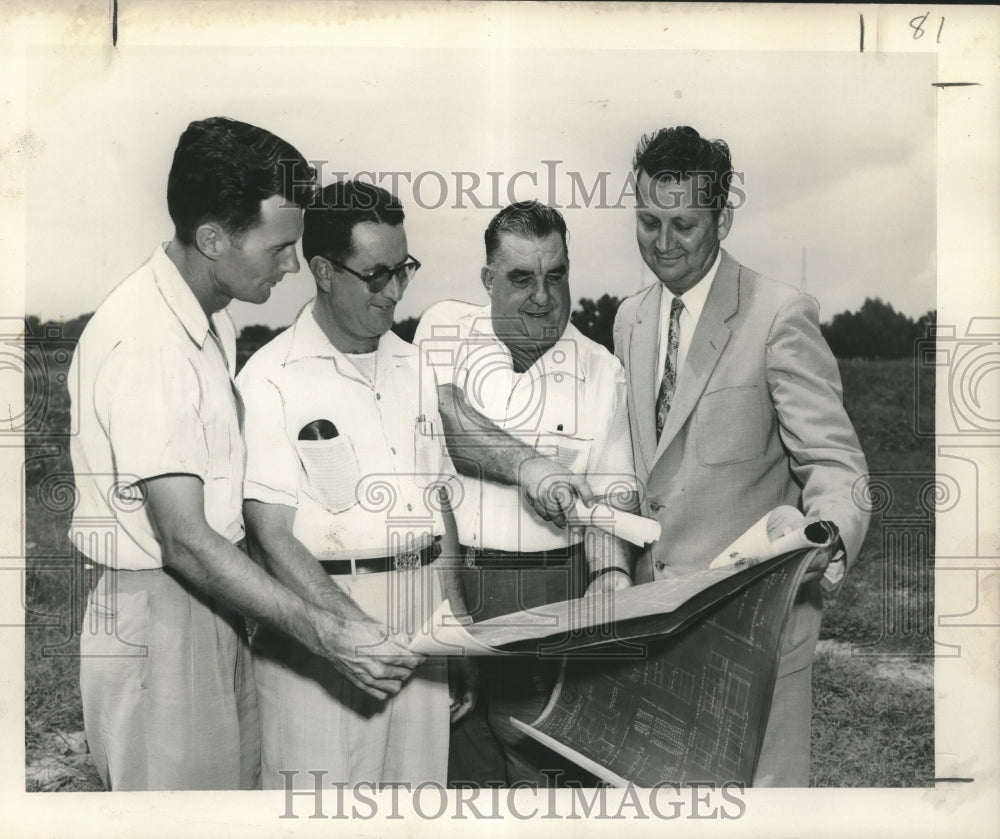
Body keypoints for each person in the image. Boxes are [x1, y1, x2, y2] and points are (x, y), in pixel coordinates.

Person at [69, 118, 415, 791]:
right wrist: (325, 631)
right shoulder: (148, 341)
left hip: (213, 607)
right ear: (213, 239)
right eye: (280, 246)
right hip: (161, 619)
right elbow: (186, 539)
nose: (292, 265)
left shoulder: (211, 316)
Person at [612, 125, 871, 786]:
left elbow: (837, 465)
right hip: (655, 633)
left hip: (754, 635)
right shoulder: (628, 319)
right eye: (648, 222)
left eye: (684, 225)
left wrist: (824, 540)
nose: (663, 244)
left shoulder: (780, 314)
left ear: (723, 217)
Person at [236, 180, 474, 788]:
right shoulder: (270, 378)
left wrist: (455, 621)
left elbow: (438, 501)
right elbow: (271, 538)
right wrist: (352, 633)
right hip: (322, 632)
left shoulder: (415, 363)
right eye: (375, 276)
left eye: (403, 271)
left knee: (419, 805)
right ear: (322, 270)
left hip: (422, 624)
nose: (394, 293)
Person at [414, 200, 638, 787]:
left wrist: (611, 582)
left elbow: (613, 508)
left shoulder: (601, 370)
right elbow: (451, 424)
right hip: (448, 582)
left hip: (551, 590)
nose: (543, 297)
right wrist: (533, 468)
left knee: (539, 768)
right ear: (488, 280)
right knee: (455, 766)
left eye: (556, 275)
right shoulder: (441, 328)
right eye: (521, 279)